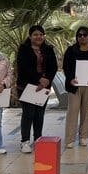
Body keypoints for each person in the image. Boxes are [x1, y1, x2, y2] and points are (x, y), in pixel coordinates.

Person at [16, 25, 58, 153]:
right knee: (28, 114)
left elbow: (53, 67)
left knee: (39, 115)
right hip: (27, 87)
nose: (38, 37)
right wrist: (39, 79)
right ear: (30, 36)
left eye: (41, 34)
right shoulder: (23, 49)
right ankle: (25, 141)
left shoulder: (48, 49)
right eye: (35, 34)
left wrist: (46, 81)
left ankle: (38, 139)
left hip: (43, 87)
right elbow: (24, 67)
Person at [63, 27, 88, 148]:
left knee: (86, 112)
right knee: (72, 112)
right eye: (79, 35)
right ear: (77, 37)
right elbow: (66, 66)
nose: (82, 37)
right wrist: (70, 79)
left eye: (85, 35)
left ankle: (84, 137)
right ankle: (69, 139)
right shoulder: (71, 50)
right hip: (74, 86)